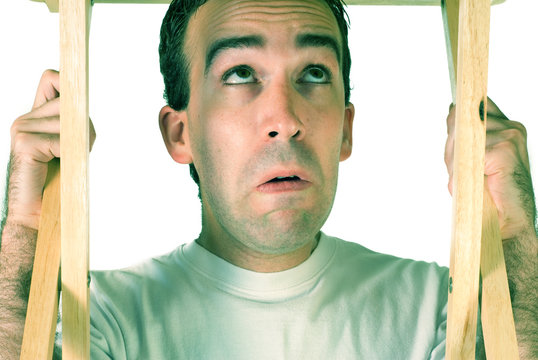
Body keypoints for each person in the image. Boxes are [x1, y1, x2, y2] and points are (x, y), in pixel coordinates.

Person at [0, 0, 536, 358]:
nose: (285, 117)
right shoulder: (103, 320)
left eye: (314, 73)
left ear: (345, 130)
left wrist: (515, 228)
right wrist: (25, 222)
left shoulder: (440, 310)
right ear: (179, 133)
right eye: (240, 74)